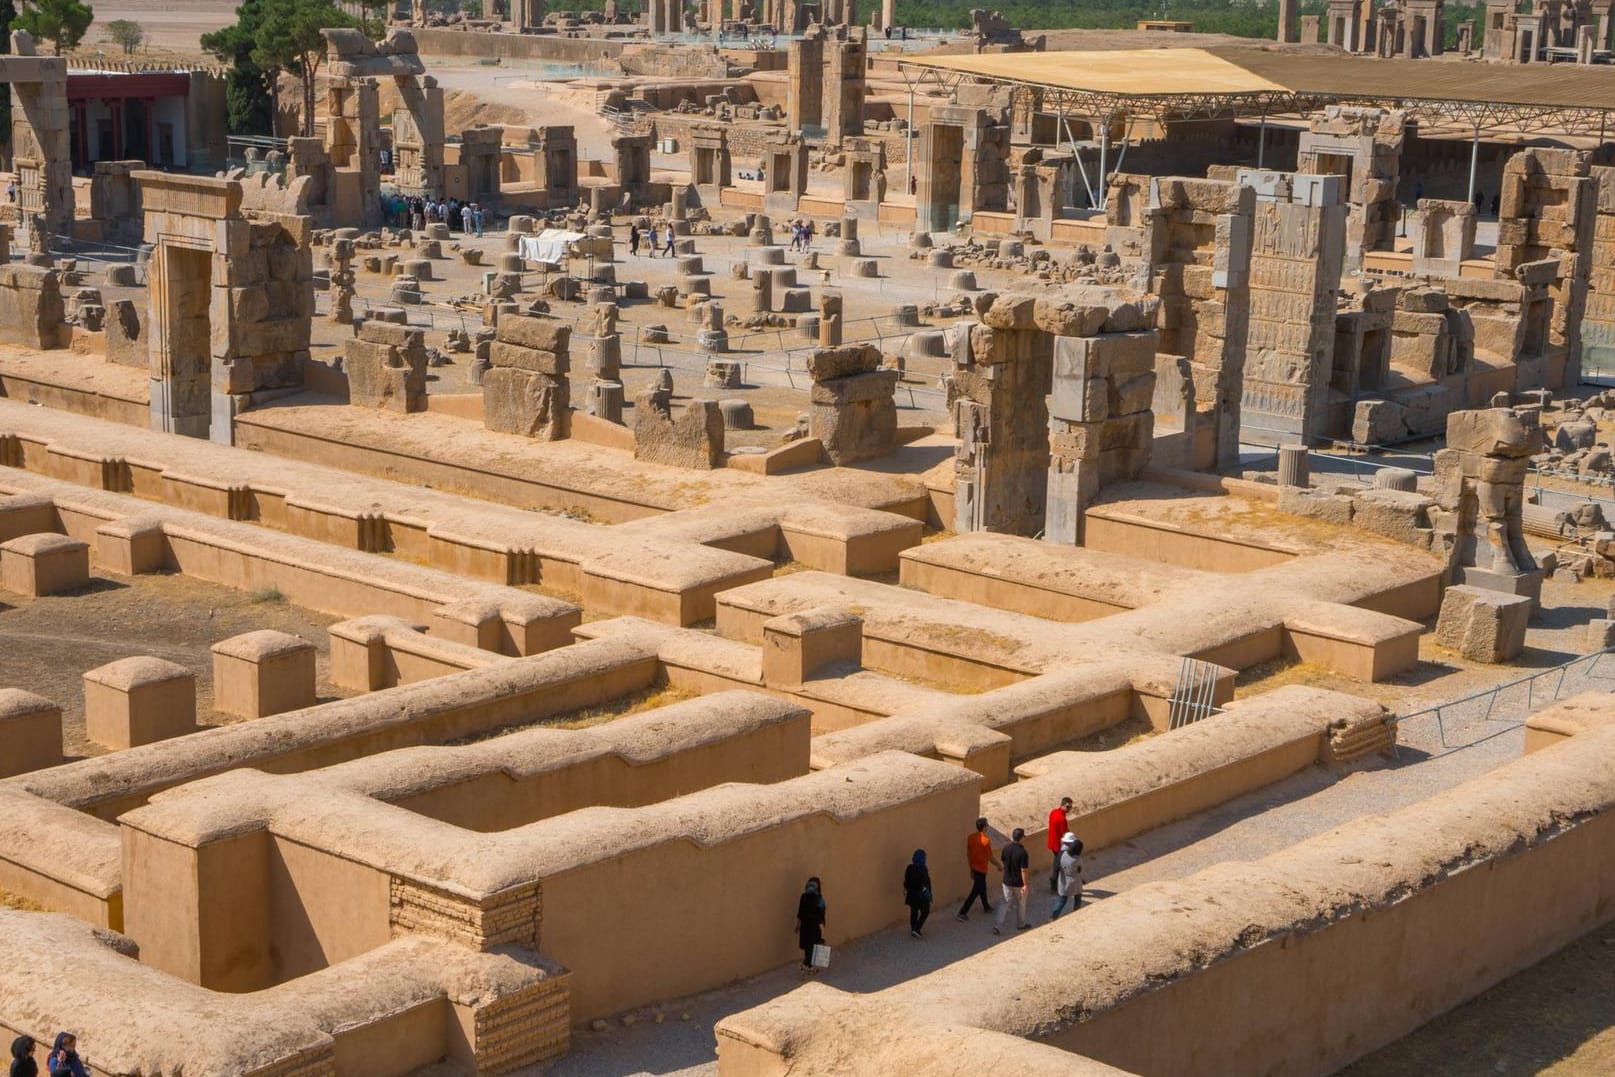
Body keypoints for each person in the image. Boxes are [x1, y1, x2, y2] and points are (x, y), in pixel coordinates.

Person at [957, 816, 997, 921]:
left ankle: (986, 906)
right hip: (982, 869)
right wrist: (999, 865)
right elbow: (990, 857)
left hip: (974, 868)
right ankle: (962, 912)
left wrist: (970, 869)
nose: (988, 826)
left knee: (982, 888)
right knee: (975, 892)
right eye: (987, 825)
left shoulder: (971, 837)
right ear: (984, 827)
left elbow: (969, 854)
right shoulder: (986, 841)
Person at [993, 827, 1031, 935]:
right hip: (1018, 883)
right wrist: (1025, 885)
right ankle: (1021, 924)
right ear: (1022, 838)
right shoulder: (1023, 852)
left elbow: (1004, 862)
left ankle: (997, 926)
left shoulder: (1005, 848)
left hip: (1007, 881)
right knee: (1021, 903)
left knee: (1004, 903)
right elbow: (1023, 870)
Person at [795, 876, 827, 973]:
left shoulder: (803, 897)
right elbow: (821, 917)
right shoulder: (819, 899)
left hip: (805, 927)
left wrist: (798, 926)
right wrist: (822, 930)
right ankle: (807, 966)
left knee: (807, 949)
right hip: (815, 928)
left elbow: (800, 914)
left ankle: (808, 966)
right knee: (813, 948)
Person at [1050, 832, 1084, 920]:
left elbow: (1057, 868)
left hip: (1063, 881)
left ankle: (1054, 916)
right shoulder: (1077, 859)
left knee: (1062, 900)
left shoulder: (1062, 854)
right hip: (1075, 881)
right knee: (1078, 897)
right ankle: (1077, 913)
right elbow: (1079, 869)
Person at [903, 849, 932, 938]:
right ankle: (917, 928)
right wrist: (929, 894)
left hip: (911, 894)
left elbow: (906, 881)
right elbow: (926, 883)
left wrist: (905, 889)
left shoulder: (909, 868)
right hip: (920, 895)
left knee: (913, 912)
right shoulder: (923, 869)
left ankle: (913, 929)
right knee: (925, 911)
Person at [1046, 796, 1072, 863]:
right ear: (1062, 805)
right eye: (1067, 807)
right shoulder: (1062, 819)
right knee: (1060, 862)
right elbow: (1064, 834)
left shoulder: (1053, 812)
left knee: (1056, 860)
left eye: (1070, 807)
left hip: (1052, 842)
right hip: (1057, 844)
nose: (1069, 809)